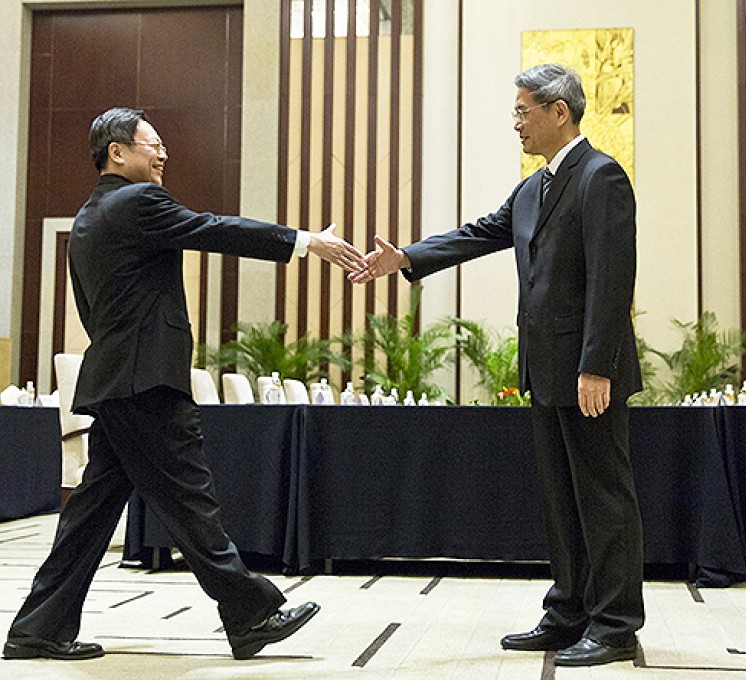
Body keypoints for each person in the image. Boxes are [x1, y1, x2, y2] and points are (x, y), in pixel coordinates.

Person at [3, 107, 366, 661]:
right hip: (145, 382)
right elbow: (214, 228)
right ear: (117, 152)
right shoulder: (138, 202)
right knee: (191, 502)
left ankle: (37, 629)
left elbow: (90, 308)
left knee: (89, 516)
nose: (163, 152)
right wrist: (303, 242)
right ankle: (251, 613)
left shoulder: (88, 217)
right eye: (152, 143)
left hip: (118, 379)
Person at [350, 64, 644, 667]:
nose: (515, 122)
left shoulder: (601, 176)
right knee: (561, 499)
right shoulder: (534, 189)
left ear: (558, 112)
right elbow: (481, 232)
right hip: (544, 366)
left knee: (603, 496)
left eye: (522, 111)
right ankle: (568, 612)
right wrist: (406, 257)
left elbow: (613, 283)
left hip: (588, 372)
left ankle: (614, 624)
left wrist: (597, 366)